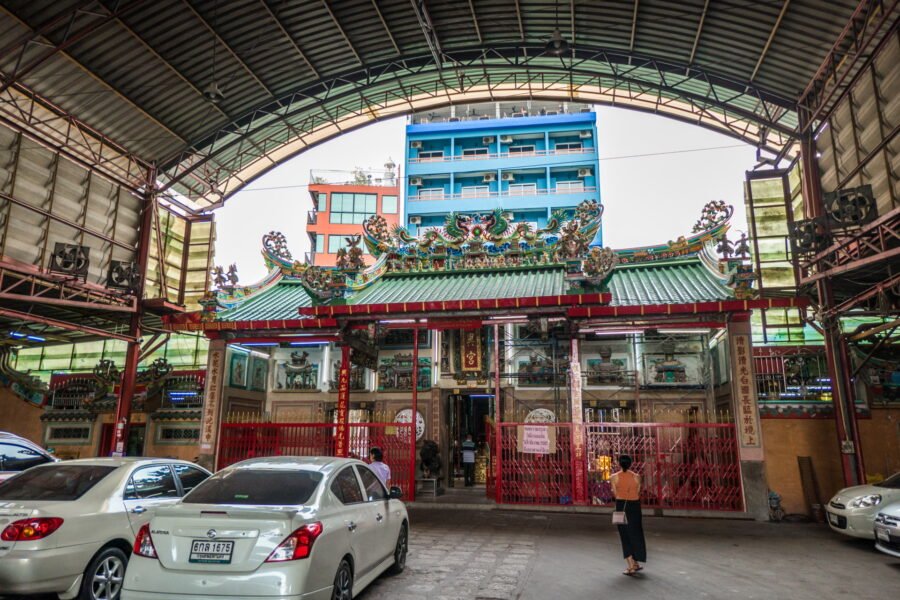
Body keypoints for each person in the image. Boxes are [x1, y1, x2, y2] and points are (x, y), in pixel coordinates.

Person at [610, 455, 646, 575]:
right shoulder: (637, 477)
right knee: (636, 533)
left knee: (625, 535)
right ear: (630, 464)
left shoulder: (614, 477)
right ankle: (636, 563)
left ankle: (630, 566)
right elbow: (638, 492)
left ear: (619, 463)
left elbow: (615, 494)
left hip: (622, 506)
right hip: (635, 508)